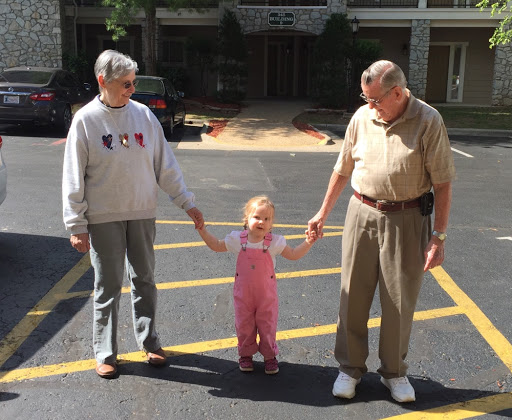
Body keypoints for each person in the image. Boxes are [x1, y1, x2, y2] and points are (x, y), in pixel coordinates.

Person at [308, 60, 455, 402]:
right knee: (352, 294)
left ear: (398, 93)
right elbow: (342, 169)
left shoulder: (428, 120)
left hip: (408, 217)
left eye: (375, 99)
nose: (370, 105)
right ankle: (349, 368)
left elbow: (443, 183)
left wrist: (439, 236)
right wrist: (322, 213)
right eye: (366, 97)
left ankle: (394, 372)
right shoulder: (362, 117)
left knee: (400, 300)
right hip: (361, 213)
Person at [62, 50, 204, 379]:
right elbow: (73, 176)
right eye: (126, 83)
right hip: (103, 217)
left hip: (141, 212)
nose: (132, 89)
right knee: (107, 285)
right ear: (103, 81)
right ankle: (105, 352)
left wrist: (187, 202)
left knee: (144, 279)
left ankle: (150, 342)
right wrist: (76, 224)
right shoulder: (86, 120)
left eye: (133, 82)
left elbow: (165, 165)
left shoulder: (143, 115)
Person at [197, 195, 317, 374]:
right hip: (243, 296)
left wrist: (308, 242)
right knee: (244, 325)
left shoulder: (274, 242)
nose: (262, 222)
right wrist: (202, 231)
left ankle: (270, 356)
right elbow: (216, 245)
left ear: (271, 223)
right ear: (246, 219)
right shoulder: (238, 240)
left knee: (267, 325)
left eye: (267, 219)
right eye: (257, 217)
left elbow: (293, 254)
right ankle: (245, 355)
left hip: (266, 296)